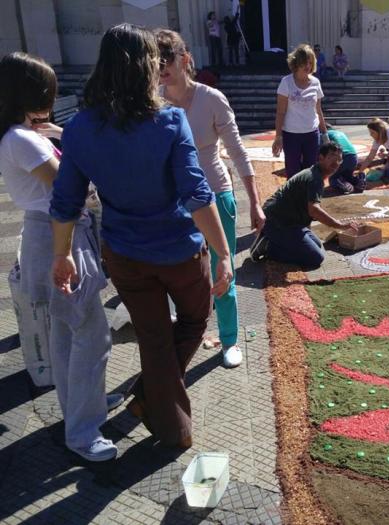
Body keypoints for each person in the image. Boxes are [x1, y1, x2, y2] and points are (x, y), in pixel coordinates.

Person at [50, 24, 233, 449]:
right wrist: (223, 252)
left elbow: (65, 202)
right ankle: (163, 416)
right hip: (178, 252)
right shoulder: (169, 120)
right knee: (193, 319)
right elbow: (197, 193)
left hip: (124, 254)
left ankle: (156, 405)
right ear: (148, 66)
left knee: (154, 339)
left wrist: (62, 255)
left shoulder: (79, 127)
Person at [0, 52, 121, 462]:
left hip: (57, 230)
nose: (51, 99)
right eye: (47, 91)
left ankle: (86, 412)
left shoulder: (24, 135)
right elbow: (70, 183)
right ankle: (84, 431)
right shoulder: (21, 139)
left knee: (71, 332)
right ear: (28, 93)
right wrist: (73, 139)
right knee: (89, 334)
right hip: (57, 232)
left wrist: (59, 134)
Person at [157, 29, 266, 368]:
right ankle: (184, 334)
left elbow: (236, 150)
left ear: (185, 58)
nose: (161, 66)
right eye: (154, 60)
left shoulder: (211, 99)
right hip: (171, 200)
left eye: (167, 58)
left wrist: (254, 200)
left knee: (223, 267)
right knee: (177, 272)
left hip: (215, 193)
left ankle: (230, 340)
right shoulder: (153, 99)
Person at [250, 142, 359, 267]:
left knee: (317, 246)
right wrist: (339, 225)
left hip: (290, 221)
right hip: (277, 221)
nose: (336, 162)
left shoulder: (316, 173)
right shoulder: (314, 178)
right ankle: (268, 247)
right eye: (332, 157)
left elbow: (307, 209)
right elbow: (313, 210)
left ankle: (277, 240)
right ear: (321, 158)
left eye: (339, 159)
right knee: (315, 258)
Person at [273, 44, 327, 179]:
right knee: (292, 171)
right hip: (291, 135)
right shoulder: (286, 82)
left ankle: (309, 198)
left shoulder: (316, 82)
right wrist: (278, 136)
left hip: (312, 134)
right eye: (304, 62)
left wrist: (325, 133)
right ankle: (293, 197)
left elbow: (318, 109)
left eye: (310, 62)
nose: (307, 66)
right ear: (296, 63)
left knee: (311, 170)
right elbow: (280, 112)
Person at [326, 126, 363, 194]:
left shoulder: (325, 134)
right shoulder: (340, 133)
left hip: (342, 157)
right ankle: (359, 180)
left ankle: (344, 186)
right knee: (348, 177)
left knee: (333, 179)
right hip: (353, 157)